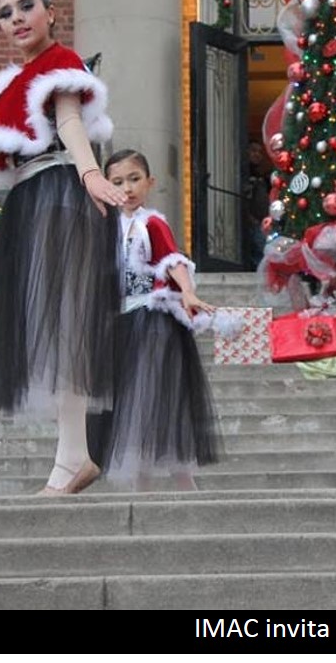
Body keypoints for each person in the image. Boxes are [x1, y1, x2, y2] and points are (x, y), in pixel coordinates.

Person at [0, 0, 127, 495]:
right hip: (35, 198)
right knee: (55, 327)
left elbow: (71, 119)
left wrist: (90, 174)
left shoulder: (60, 62)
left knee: (67, 323)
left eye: (26, 6)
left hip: (60, 192)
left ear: (51, 12)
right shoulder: (17, 80)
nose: (16, 18)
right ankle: (73, 455)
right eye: (5, 13)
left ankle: (71, 458)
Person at [96, 149, 221, 490]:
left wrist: (188, 291)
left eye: (135, 179)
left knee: (155, 397)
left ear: (149, 183)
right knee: (131, 402)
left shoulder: (152, 222)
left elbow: (172, 259)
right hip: (120, 322)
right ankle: (142, 486)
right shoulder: (107, 227)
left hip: (151, 322)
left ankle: (184, 482)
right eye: (118, 181)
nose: (128, 188)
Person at [242, 140, 271, 269]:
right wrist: (248, 216)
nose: (257, 154)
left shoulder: (262, 176)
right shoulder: (243, 173)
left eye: (260, 152)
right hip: (251, 220)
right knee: (259, 248)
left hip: (262, 221)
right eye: (253, 151)